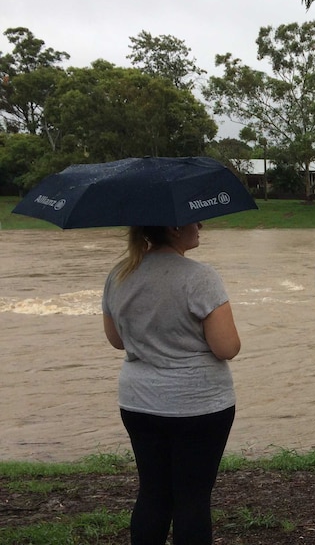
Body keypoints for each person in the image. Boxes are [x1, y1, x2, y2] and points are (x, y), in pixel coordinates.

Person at [102, 222, 241, 545]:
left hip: (139, 403)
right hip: (198, 405)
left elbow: (116, 341)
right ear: (175, 228)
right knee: (192, 498)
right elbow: (227, 347)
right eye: (195, 221)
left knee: (152, 492)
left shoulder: (120, 274)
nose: (201, 226)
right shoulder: (200, 277)